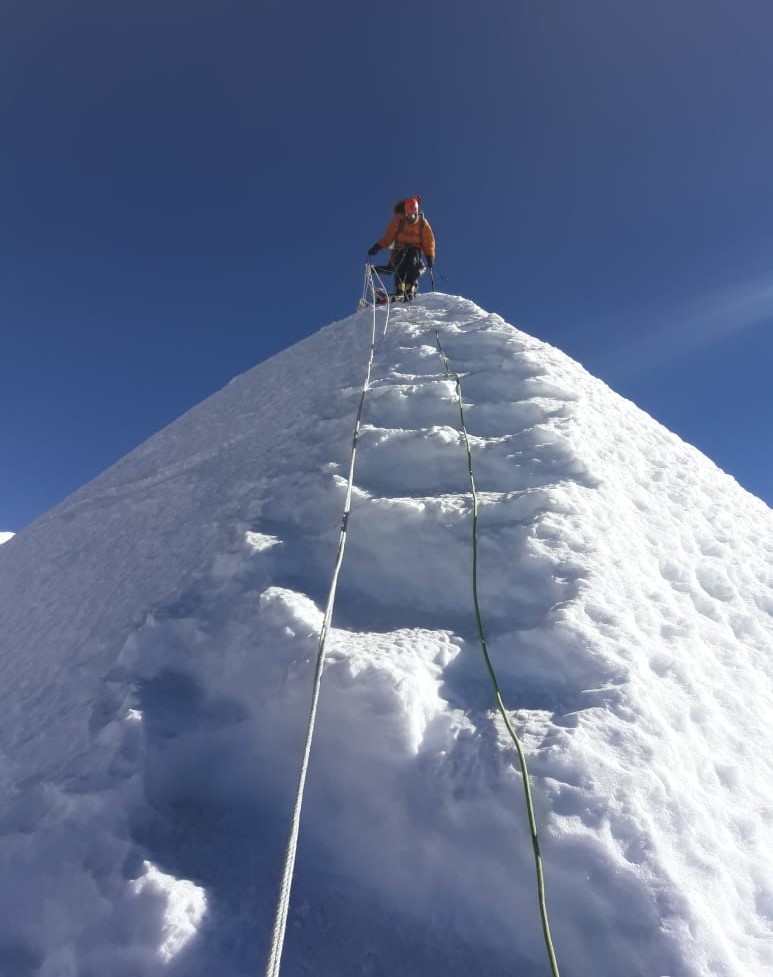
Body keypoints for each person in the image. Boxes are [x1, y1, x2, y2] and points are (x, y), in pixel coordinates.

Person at [367, 196, 436, 301]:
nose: (410, 218)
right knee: (400, 266)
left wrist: (430, 257)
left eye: (413, 216)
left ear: (417, 213)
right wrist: (378, 246)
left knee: (412, 263)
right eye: (408, 215)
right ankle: (399, 290)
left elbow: (428, 242)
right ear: (404, 213)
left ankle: (410, 289)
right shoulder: (398, 221)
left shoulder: (422, 224)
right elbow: (388, 237)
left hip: (414, 248)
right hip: (400, 248)